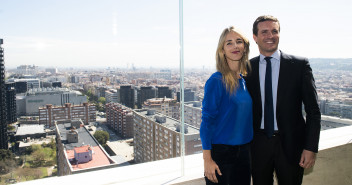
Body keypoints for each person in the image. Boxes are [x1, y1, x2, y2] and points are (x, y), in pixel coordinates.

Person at [245, 15, 321, 185]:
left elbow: (313, 111)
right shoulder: (247, 68)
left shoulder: (299, 65)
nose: (270, 36)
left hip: (292, 146)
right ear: (255, 38)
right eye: (264, 32)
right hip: (258, 146)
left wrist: (310, 147)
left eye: (274, 31)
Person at [200, 26, 253, 185]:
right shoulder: (216, 81)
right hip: (222, 154)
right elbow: (207, 122)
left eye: (239, 42)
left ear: (244, 47)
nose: (235, 46)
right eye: (229, 43)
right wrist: (207, 160)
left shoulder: (243, 80)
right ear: (222, 50)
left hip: (244, 152)